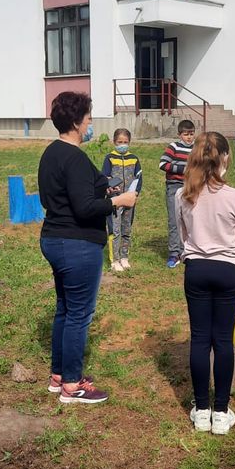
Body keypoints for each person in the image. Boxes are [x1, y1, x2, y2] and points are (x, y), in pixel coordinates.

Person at [38, 91, 137, 404]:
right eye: (88, 117)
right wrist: (118, 201)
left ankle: (59, 375)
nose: (91, 121)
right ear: (75, 122)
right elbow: (83, 208)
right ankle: (72, 385)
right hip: (77, 244)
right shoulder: (75, 158)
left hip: (54, 238)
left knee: (66, 309)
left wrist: (104, 189)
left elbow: (59, 196)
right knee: (79, 314)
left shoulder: (51, 153)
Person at [176, 132, 235, 435]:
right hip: (228, 270)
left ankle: (202, 410)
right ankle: (220, 412)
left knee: (199, 339)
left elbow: (183, 236)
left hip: (196, 269)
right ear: (225, 158)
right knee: (222, 340)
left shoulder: (183, 195)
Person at [102, 128, 143, 272]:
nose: (122, 145)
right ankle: (114, 260)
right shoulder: (109, 158)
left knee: (127, 228)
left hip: (130, 199)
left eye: (125, 142)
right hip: (115, 200)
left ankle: (124, 257)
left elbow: (139, 178)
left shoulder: (134, 158)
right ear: (114, 142)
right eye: (120, 142)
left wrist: (135, 193)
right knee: (115, 229)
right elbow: (105, 177)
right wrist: (110, 188)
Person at [159, 119, 196, 268]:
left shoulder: (197, 148)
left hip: (191, 187)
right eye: (186, 134)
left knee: (189, 220)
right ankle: (174, 253)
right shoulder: (173, 147)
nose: (189, 137)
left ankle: (187, 251)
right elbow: (163, 164)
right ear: (179, 135)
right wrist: (184, 170)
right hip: (174, 186)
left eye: (191, 134)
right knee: (174, 220)